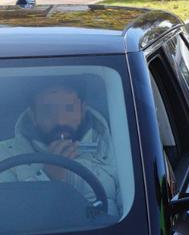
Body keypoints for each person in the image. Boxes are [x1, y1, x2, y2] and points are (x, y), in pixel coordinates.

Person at [0, 82, 119, 214]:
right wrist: (48, 177)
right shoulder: (5, 155)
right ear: (33, 116)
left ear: (82, 110)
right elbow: (11, 221)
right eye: (48, 110)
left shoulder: (118, 148)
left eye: (69, 108)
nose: (61, 120)